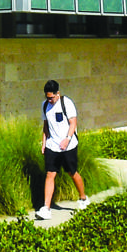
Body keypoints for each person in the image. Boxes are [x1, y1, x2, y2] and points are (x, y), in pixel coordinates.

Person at [34, 79, 87, 219]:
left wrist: (67, 139)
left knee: (72, 172)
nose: (49, 100)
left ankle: (83, 199)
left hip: (68, 145)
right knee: (50, 174)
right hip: (52, 145)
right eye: (47, 97)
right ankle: (46, 208)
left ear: (58, 93)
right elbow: (45, 125)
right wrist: (44, 142)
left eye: (51, 97)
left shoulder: (66, 103)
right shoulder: (45, 105)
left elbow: (73, 123)